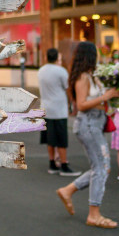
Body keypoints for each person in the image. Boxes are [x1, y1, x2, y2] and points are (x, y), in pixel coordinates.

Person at [55, 41, 119, 229]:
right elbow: (82, 105)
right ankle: (94, 214)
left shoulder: (91, 76)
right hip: (89, 124)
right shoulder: (83, 77)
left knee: (101, 167)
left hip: (95, 123)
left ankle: (68, 190)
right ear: (91, 56)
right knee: (101, 168)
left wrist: (109, 102)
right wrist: (106, 97)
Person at [37, 48, 79, 176]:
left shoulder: (41, 70)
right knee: (61, 138)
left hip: (45, 107)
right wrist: (73, 103)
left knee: (50, 138)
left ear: (46, 58)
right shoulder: (61, 71)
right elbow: (68, 89)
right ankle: (64, 165)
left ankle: (52, 164)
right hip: (59, 109)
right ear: (57, 58)